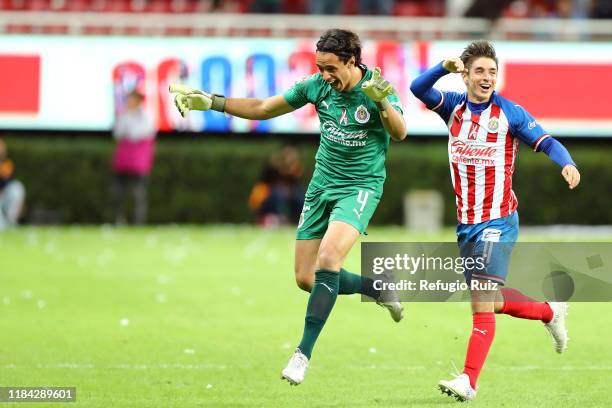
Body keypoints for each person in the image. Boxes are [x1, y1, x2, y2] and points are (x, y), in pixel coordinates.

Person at [169, 29, 407, 385]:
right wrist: (212, 102)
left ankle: (302, 354)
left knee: (329, 260)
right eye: (320, 68)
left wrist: (382, 103)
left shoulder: (377, 86)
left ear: (351, 61)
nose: (325, 75)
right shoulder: (316, 86)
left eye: (331, 68)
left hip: (359, 188)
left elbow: (400, 132)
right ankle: (378, 289)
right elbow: (265, 108)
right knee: (305, 278)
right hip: (321, 186)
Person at [410, 40, 580, 401]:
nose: (487, 78)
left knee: (481, 299)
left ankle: (469, 381)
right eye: (480, 71)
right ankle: (549, 311)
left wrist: (567, 162)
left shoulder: (510, 114)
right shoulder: (453, 108)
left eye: (492, 71)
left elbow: (547, 142)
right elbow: (417, 88)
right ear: (466, 75)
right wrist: (444, 66)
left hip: (499, 219)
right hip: (466, 223)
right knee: (488, 299)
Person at [111, 89, 156, 225]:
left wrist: (128, 126)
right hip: (123, 162)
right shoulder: (124, 115)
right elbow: (117, 133)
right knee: (119, 193)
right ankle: (119, 219)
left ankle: (138, 222)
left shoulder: (146, 117)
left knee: (138, 194)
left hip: (138, 163)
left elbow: (135, 134)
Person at [248, 146, 305, 227]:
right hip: (270, 193)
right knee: (278, 195)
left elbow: (296, 181)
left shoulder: (295, 167)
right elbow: (267, 178)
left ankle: (302, 220)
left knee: (300, 198)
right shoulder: (273, 166)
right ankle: (279, 219)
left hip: (291, 193)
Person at [0, 138, 26, 230]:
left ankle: (11, 221)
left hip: (4, 195)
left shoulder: (7, 164)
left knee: (17, 187)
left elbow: (9, 181)